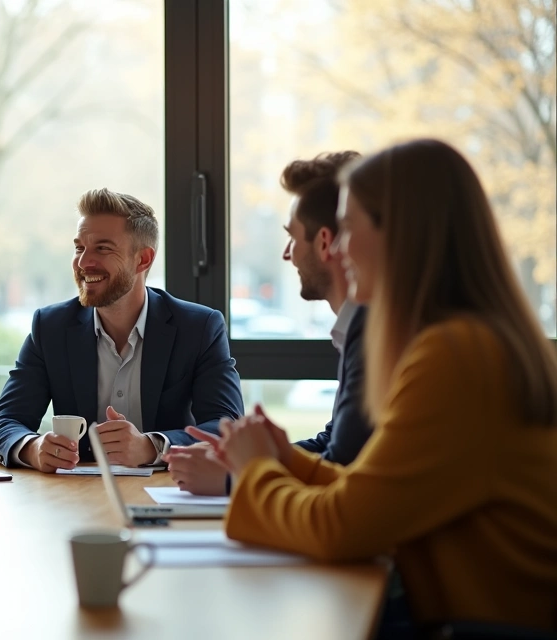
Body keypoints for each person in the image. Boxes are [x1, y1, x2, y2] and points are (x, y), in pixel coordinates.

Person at [201, 139, 557, 633]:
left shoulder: (456, 356)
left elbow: (338, 529)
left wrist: (256, 469)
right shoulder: (469, 339)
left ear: (401, 233)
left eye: (348, 228)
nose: (339, 249)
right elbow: (373, 496)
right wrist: (287, 460)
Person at [0, 188, 243, 472]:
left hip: (169, 494)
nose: (83, 263)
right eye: (79, 248)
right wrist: (32, 447)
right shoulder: (51, 327)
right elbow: (2, 424)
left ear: (143, 260)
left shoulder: (199, 328)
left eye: (102, 248)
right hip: (75, 500)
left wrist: (151, 446)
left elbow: (227, 426)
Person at [167, 152, 371, 496]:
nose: (286, 253)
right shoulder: (357, 329)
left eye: (292, 236)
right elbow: (333, 445)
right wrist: (241, 459)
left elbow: (344, 467)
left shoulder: (374, 332)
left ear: (324, 242)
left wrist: (237, 477)